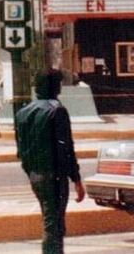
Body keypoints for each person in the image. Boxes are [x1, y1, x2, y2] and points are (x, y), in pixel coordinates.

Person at [15, 70, 85, 254]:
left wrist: (31, 172)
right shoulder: (57, 110)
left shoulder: (22, 113)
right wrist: (76, 179)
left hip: (36, 175)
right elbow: (67, 148)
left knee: (51, 220)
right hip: (54, 176)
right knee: (54, 225)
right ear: (54, 86)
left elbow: (21, 151)